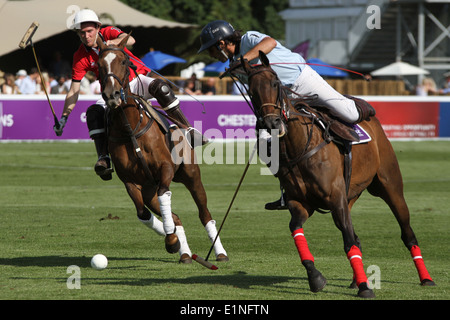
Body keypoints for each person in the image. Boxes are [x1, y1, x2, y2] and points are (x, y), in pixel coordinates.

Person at [198, 20, 376, 210]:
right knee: (267, 144)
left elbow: (270, 42)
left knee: (349, 114)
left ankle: (363, 108)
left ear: (221, 43)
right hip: (283, 99)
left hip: (303, 81)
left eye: (211, 50)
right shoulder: (234, 65)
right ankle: (288, 189)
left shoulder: (248, 39)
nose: (211, 55)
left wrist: (243, 61)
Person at [54, 9, 207, 181]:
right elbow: (74, 89)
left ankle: (188, 130)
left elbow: (131, 39)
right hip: (113, 91)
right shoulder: (80, 56)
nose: (86, 36)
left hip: (137, 81)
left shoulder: (108, 32)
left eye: (89, 31)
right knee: (94, 112)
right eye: (81, 33)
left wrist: (114, 41)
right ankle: (103, 158)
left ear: (97, 28)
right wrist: (64, 117)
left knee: (161, 88)